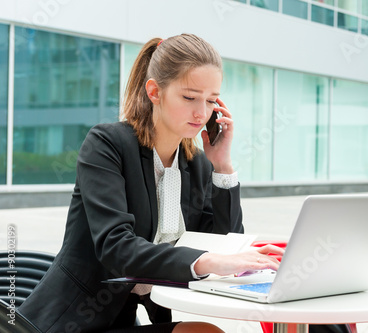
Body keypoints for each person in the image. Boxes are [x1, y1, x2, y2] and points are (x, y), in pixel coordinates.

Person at [18, 33, 284, 333]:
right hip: (69, 322)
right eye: (189, 97)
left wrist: (221, 166)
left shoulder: (196, 164)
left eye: (211, 100)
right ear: (155, 92)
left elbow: (224, 243)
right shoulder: (107, 145)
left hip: (121, 321)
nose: (201, 112)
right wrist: (207, 262)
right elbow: (116, 246)